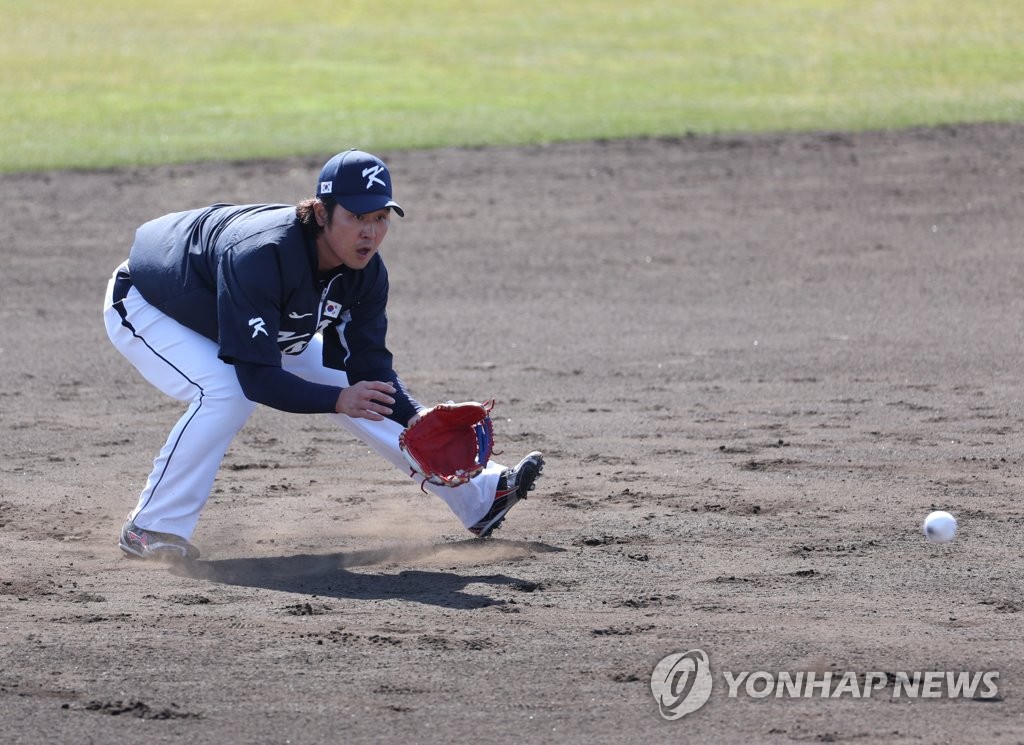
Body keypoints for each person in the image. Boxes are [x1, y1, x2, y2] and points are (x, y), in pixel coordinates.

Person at [102, 148, 544, 561]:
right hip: (152, 304)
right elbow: (257, 378)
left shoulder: (366, 272)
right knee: (227, 391)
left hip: (246, 315)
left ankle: (482, 497)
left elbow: (368, 367)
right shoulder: (261, 255)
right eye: (356, 217)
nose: (370, 231)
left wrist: (413, 416)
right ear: (320, 212)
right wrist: (336, 400)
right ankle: (150, 528)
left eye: (381, 216)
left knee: (361, 390)